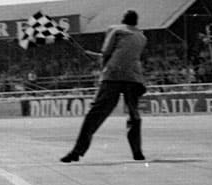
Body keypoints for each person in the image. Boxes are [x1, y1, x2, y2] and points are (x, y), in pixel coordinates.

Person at [61, 10, 148, 162]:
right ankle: (137, 151)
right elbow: (124, 54)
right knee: (134, 115)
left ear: (123, 20)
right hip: (134, 77)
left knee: (95, 113)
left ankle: (77, 151)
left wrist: (102, 66)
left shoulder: (115, 29)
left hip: (113, 75)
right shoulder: (141, 36)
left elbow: (107, 52)